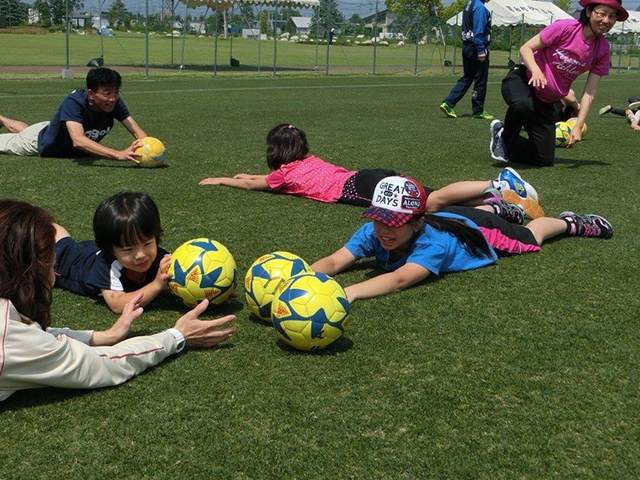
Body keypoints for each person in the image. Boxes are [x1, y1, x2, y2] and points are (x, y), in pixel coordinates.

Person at [0, 198, 237, 402]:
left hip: (78, 251)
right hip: (75, 264)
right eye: (47, 266)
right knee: (64, 247)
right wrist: (177, 335)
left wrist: (104, 337)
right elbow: (105, 364)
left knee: (61, 237)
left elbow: (35, 337)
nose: (141, 254)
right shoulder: (11, 338)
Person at [311, 176, 613, 303]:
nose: (383, 230)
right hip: (453, 218)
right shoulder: (374, 230)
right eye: (378, 220)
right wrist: (301, 276)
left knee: (531, 238)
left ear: (416, 223)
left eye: (393, 223)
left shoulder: (433, 245)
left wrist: (346, 293)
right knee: (477, 216)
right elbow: (337, 261)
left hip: (481, 231)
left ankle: (570, 222)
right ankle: (500, 207)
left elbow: (398, 280)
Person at [199, 123, 543, 219]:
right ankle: (498, 202)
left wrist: (223, 180)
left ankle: (497, 181)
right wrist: (239, 175)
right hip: (368, 176)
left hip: (359, 187)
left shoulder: (284, 174)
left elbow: (253, 184)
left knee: (430, 204)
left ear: (276, 153)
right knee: (432, 197)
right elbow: (254, 179)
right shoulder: (306, 162)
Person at [489, 0, 628, 166]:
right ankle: (505, 137)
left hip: (546, 101)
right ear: (590, 11)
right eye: (602, 13)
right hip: (523, 80)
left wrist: (578, 125)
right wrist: (536, 71)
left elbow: (589, 92)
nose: (606, 20)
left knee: (544, 159)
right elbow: (526, 48)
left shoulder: (602, 49)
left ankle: (504, 137)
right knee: (522, 104)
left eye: (612, 16)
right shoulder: (565, 28)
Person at [54, 191, 172, 314]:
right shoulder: (107, 265)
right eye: (129, 249)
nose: (141, 255)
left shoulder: (161, 258)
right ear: (111, 250)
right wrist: (157, 285)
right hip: (65, 262)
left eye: (147, 243)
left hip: (90, 250)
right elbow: (118, 305)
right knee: (59, 243)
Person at [0, 67, 146, 162]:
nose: (113, 98)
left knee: (27, 130)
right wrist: (118, 154)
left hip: (51, 129)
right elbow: (78, 140)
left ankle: (2, 120)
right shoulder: (74, 102)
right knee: (20, 137)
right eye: (107, 93)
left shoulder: (113, 102)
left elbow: (137, 131)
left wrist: (150, 150)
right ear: (91, 93)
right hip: (38, 143)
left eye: (116, 92)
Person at [439, 0, 493, 120]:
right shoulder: (480, 8)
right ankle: (478, 110)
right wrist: (480, 49)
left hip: (467, 46)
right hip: (476, 48)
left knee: (468, 77)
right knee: (480, 79)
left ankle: (448, 103)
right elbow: (478, 30)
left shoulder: (470, 4)